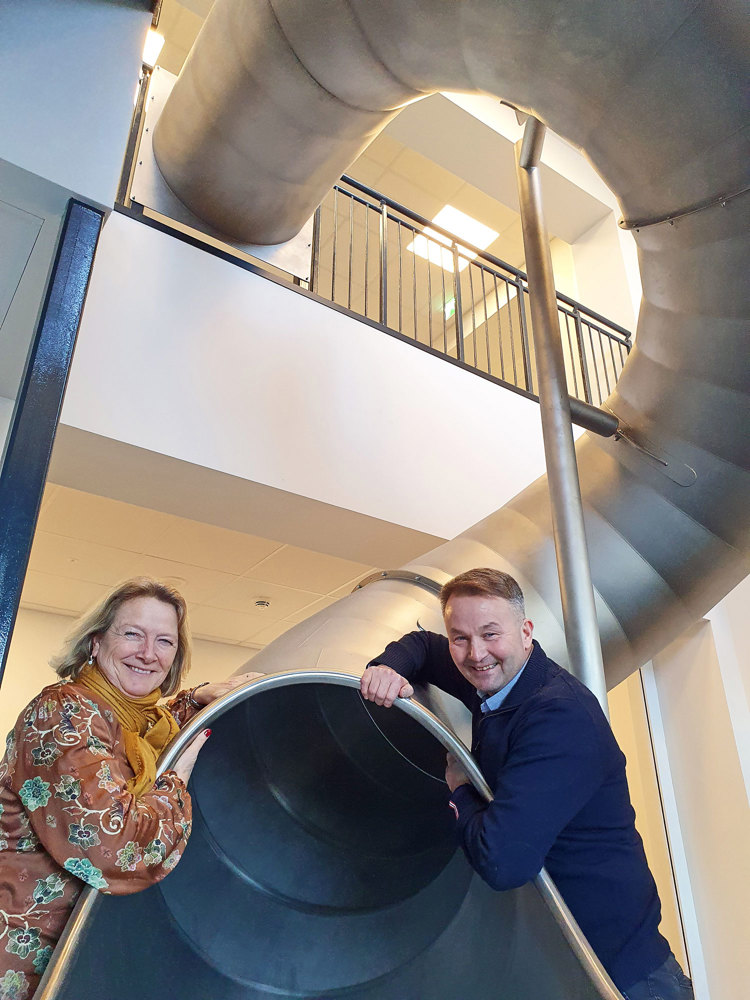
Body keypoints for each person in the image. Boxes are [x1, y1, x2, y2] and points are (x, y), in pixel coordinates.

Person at [360, 567, 694, 1000]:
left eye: (490, 634)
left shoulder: (558, 716)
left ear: (526, 632)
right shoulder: (497, 678)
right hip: (569, 965)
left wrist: (460, 787)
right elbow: (424, 645)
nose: (475, 653)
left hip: (624, 979)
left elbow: (504, 861)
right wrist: (387, 667)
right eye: (460, 637)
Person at [0, 577, 261, 1000]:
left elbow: (133, 737)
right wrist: (176, 779)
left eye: (165, 641)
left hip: (70, 956)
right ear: (95, 643)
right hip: (21, 959)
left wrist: (194, 699)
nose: (148, 653)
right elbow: (115, 847)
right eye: (132, 634)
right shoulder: (63, 713)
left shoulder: (128, 720)